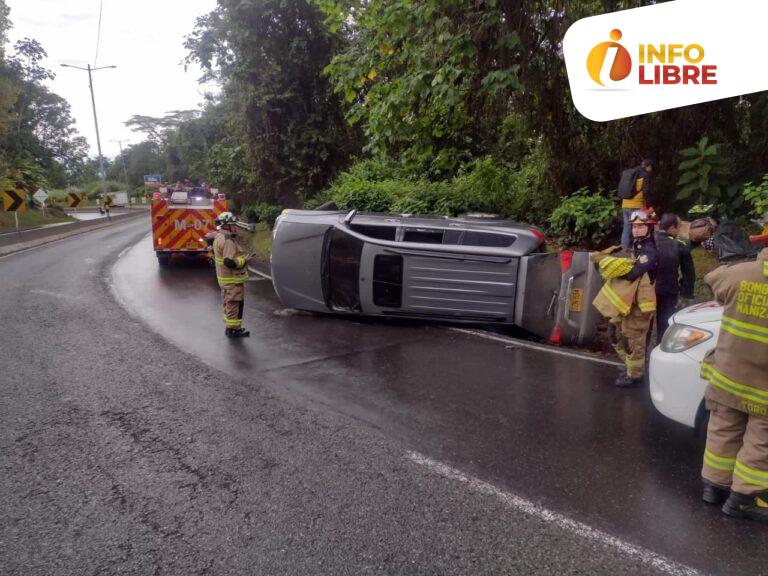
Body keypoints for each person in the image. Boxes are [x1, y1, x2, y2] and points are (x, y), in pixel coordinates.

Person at [699, 248, 768, 522]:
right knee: (760, 441)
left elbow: (711, 278)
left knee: (723, 429)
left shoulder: (739, 274)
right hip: (764, 387)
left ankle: (713, 488)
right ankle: (742, 498)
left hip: (728, 376)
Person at [592, 210, 658, 387]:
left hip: (639, 305)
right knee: (614, 333)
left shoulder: (649, 251)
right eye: (634, 226)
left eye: (640, 226)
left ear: (649, 228)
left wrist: (616, 266)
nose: (636, 230)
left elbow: (632, 274)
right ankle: (631, 366)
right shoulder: (637, 246)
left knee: (634, 340)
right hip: (626, 302)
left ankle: (635, 376)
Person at [654, 213, 695, 342]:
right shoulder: (680, 244)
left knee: (644, 323)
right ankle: (661, 348)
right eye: (680, 226)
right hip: (669, 290)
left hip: (648, 290)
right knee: (665, 323)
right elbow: (688, 272)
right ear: (672, 228)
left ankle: (641, 352)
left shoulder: (650, 241)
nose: (681, 229)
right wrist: (686, 294)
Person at [213, 212, 251, 338]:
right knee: (235, 304)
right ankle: (233, 330)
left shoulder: (219, 237)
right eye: (232, 225)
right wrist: (244, 260)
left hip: (225, 279)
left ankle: (231, 328)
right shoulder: (228, 241)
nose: (235, 227)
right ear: (225, 226)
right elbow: (228, 261)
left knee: (229, 303)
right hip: (232, 280)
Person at [620, 159, 654, 249]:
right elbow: (646, 191)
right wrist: (649, 207)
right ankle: (637, 249)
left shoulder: (630, 173)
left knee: (626, 228)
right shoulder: (645, 174)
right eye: (651, 167)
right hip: (636, 206)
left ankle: (624, 250)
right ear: (648, 166)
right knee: (638, 228)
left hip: (625, 204)